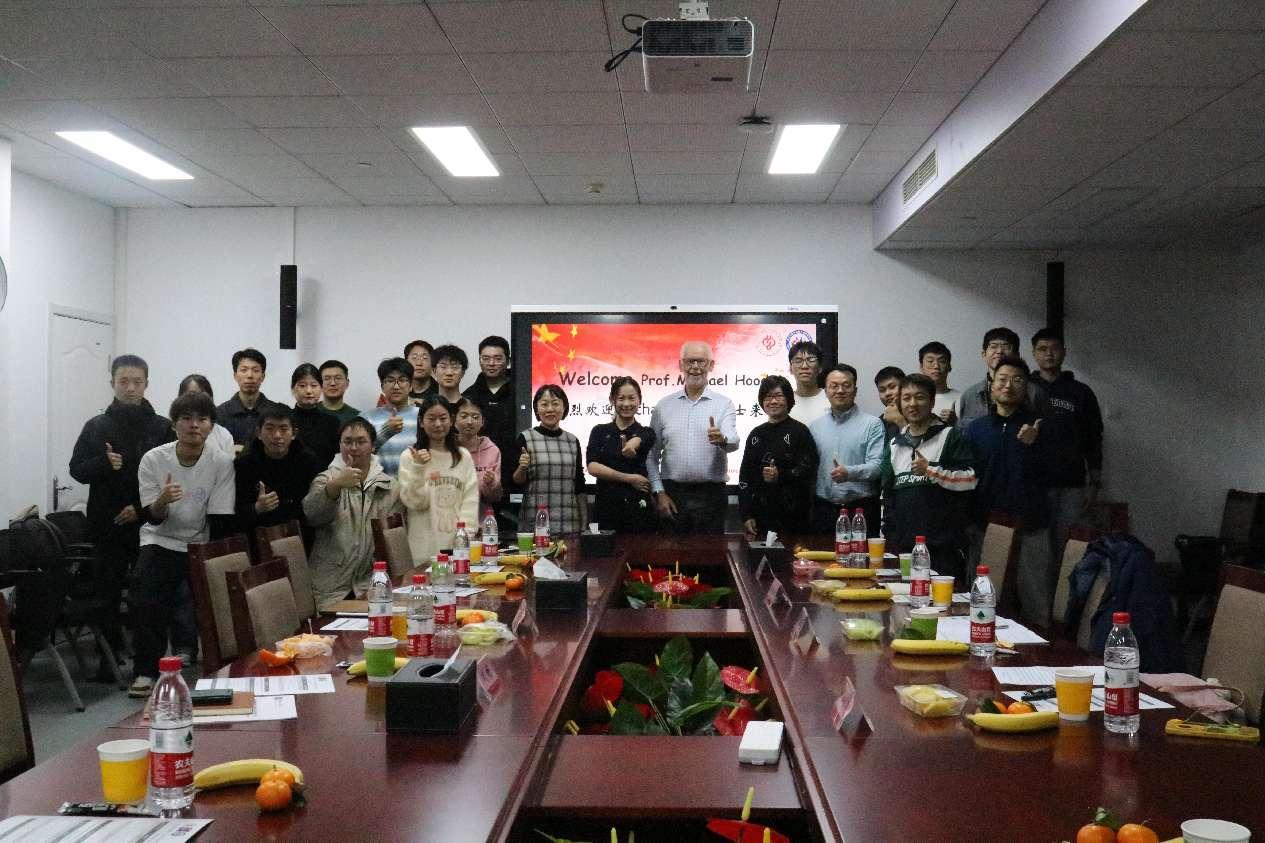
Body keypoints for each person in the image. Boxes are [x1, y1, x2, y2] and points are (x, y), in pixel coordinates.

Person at [69, 354, 174, 680]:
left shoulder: (161, 427)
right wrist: (103, 463)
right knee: (107, 594)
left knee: (146, 595)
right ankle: (108, 657)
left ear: (146, 384)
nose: (130, 388)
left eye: (136, 382)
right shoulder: (96, 426)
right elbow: (76, 470)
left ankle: (147, 663)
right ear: (112, 383)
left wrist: (139, 508)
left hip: (148, 523)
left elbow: (170, 476)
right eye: (123, 381)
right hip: (107, 525)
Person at [129, 391, 235, 697]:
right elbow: (153, 518)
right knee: (146, 596)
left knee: (217, 598)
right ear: (174, 424)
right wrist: (162, 501)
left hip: (199, 541)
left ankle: (219, 667)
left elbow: (220, 516)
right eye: (186, 418)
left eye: (202, 419)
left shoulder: (221, 463)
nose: (194, 425)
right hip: (159, 539)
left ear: (211, 426)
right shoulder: (153, 459)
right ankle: (145, 671)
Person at [962, 356, 1052, 626]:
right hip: (985, 525)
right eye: (1002, 379)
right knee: (984, 602)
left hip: (1031, 524)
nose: (1008, 386)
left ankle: (1038, 650)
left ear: (1027, 388)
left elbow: (1056, 472)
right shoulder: (976, 429)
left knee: (1036, 602)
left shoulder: (1041, 426)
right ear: (991, 385)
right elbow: (967, 476)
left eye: (1017, 380)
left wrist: (1034, 445)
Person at [879, 374, 976, 585]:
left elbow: (970, 479)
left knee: (945, 604)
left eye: (920, 397)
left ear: (932, 402)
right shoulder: (894, 445)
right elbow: (888, 496)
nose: (913, 403)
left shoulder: (950, 436)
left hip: (943, 548)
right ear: (899, 404)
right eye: (906, 398)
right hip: (904, 548)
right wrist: (891, 538)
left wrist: (930, 470)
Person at [304, 417, 402, 611]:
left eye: (360, 441)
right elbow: (312, 515)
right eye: (347, 442)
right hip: (330, 588)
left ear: (373, 446)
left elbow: (392, 544)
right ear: (340, 445)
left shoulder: (389, 487)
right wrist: (336, 486)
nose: (353, 448)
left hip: (369, 585)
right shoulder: (326, 479)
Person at [646, 342, 739, 534]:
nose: (695, 367)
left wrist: (722, 440)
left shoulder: (724, 404)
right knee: (672, 550)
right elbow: (651, 455)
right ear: (681, 365)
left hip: (711, 495)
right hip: (672, 494)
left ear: (711, 365)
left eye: (701, 362)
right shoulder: (663, 406)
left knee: (711, 551)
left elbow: (733, 441)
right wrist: (659, 492)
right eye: (690, 361)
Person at [1031, 328, 1105, 564]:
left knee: (1071, 549)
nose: (1049, 354)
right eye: (1042, 349)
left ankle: (1067, 590)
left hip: (1072, 484)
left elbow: (1093, 437)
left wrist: (1095, 481)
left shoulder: (1081, 392)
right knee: (1037, 551)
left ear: (1064, 352)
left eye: (1054, 349)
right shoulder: (1025, 389)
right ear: (1034, 353)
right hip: (1034, 483)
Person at [398, 396, 479, 565]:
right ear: (421, 422)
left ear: (452, 421)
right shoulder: (409, 456)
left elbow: (470, 500)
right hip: (422, 549)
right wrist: (418, 467)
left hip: (458, 548)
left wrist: (464, 537)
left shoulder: (463, 456)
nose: (438, 424)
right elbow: (416, 503)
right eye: (431, 418)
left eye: (443, 418)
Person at [738, 375, 818, 540]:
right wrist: (746, 514)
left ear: (788, 399)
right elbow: (745, 476)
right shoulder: (756, 434)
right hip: (761, 516)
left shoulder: (800, 432)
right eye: (768, 397)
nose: (773, 401)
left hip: (794, 516)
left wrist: (780, 475)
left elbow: (809, 469)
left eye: (778, 396)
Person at [809, 365, 885, 535]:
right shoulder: (815, 427)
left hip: (861, 510)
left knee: (863, 553)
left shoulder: (872, 424)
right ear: (826, 391)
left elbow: (878, 466)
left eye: (846, 385)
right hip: (824, 510)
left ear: (855, 390)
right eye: (834, 386)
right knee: (823, 553)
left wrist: (849, 473)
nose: (840, 390)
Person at [233, 404, 322, 540]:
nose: (277, 435)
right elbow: (234, 515)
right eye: (270, 429)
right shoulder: (243, 464)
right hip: (258, 537)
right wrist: (257, 508)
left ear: (294, 433)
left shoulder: (308, 462)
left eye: (283, 429)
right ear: (258, 433)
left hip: (299, 537)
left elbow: (315, 507)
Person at [586, 377, 657, 533]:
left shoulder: (647, 432)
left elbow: (639, 439)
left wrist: (631, 445)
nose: (626, 404)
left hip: (638, 510)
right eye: (621, 398)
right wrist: (629, 478)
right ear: (612, 400)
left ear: (639, 400)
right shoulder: (599, 431)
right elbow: (592, 467)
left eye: (631, 398)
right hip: (606, 508)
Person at [514, 384, 587, 535]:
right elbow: (517, 481)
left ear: (564, 407)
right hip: (535, 521)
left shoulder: (573, 441)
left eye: (555, 404)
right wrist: (522, 467)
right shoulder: (525, 438)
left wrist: (584, 521)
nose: (550, 409)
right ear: (536, 408)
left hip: (569, 522)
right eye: (544, 404)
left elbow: (579, 485)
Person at [462, 336, 517, 505]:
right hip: (480, 474)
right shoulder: (469, 395)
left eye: (497, 358)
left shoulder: (521, 391)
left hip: (515, 472)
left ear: (508, 361)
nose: (491, 363)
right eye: (485, 358)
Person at [956, 327, 1046, 427]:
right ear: (983, 354)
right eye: (993, 346)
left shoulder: (1034, 393)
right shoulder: (969, 395)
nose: (999, 351)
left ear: (1017, 355)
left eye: (1006, 346)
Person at [364, 357, 420, 477]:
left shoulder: (422, 416)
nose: (396, 386)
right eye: (390, 380)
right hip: (379, 486)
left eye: (402, 380)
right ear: (382, 386)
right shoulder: (367, 418)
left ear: (411, 386)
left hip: (416, 485)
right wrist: (386, 431)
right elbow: (359, 452)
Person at [217, 348, 282, 450]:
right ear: (235, 376)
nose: (250, 375)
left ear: (263, 376)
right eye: (244, 370)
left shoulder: (276, 412)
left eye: (255, 370)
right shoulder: (220, 413)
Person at [452, 397, 503, 520]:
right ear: (454, 420)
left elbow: (495, 498)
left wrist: (491, 484)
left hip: (480, 522)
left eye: (475, 417)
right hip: (449, 521)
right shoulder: (446, 448)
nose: (470, 422)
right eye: (464, 416)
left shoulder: (492, 450)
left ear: (482, 421)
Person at [290, 363, 340, 464]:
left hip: (327, 474)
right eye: (302, 385)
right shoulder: (285, 420)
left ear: (321, 388)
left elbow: (337, 458)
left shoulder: (332, 423)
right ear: (293, 389)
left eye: (314, 385)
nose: (309, 391)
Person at [178, 374, 235, 458]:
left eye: (202, 395)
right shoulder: (172, 431)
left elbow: (229, 465)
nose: (197, 399)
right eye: (192, 395)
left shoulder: (223, 435)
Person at [786, 340, 830, 425]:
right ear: (790, 368)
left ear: (820, 367)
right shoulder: (784, 402)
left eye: (811, 360)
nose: (804, 366)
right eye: (798, 360)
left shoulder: (831, 398)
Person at [918, 340, 960, 424]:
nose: (936, 366)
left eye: (942, 361)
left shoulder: (962, 399)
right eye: (930, 361)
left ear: (949, 367)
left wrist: (956, 422)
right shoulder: (913, 399)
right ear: (921, 367)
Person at [318, 359, 360, 425]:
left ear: (347, 383)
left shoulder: (357, 417)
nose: (333, 383)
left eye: (338, 378)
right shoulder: (309, 412)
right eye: (327, 378)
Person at [873, 365, 906, 442]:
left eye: (892, 387)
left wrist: (900, 422)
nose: (887, 393)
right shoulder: (878, 424)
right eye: (882, 390)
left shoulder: (919, 414)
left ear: (905, 386)